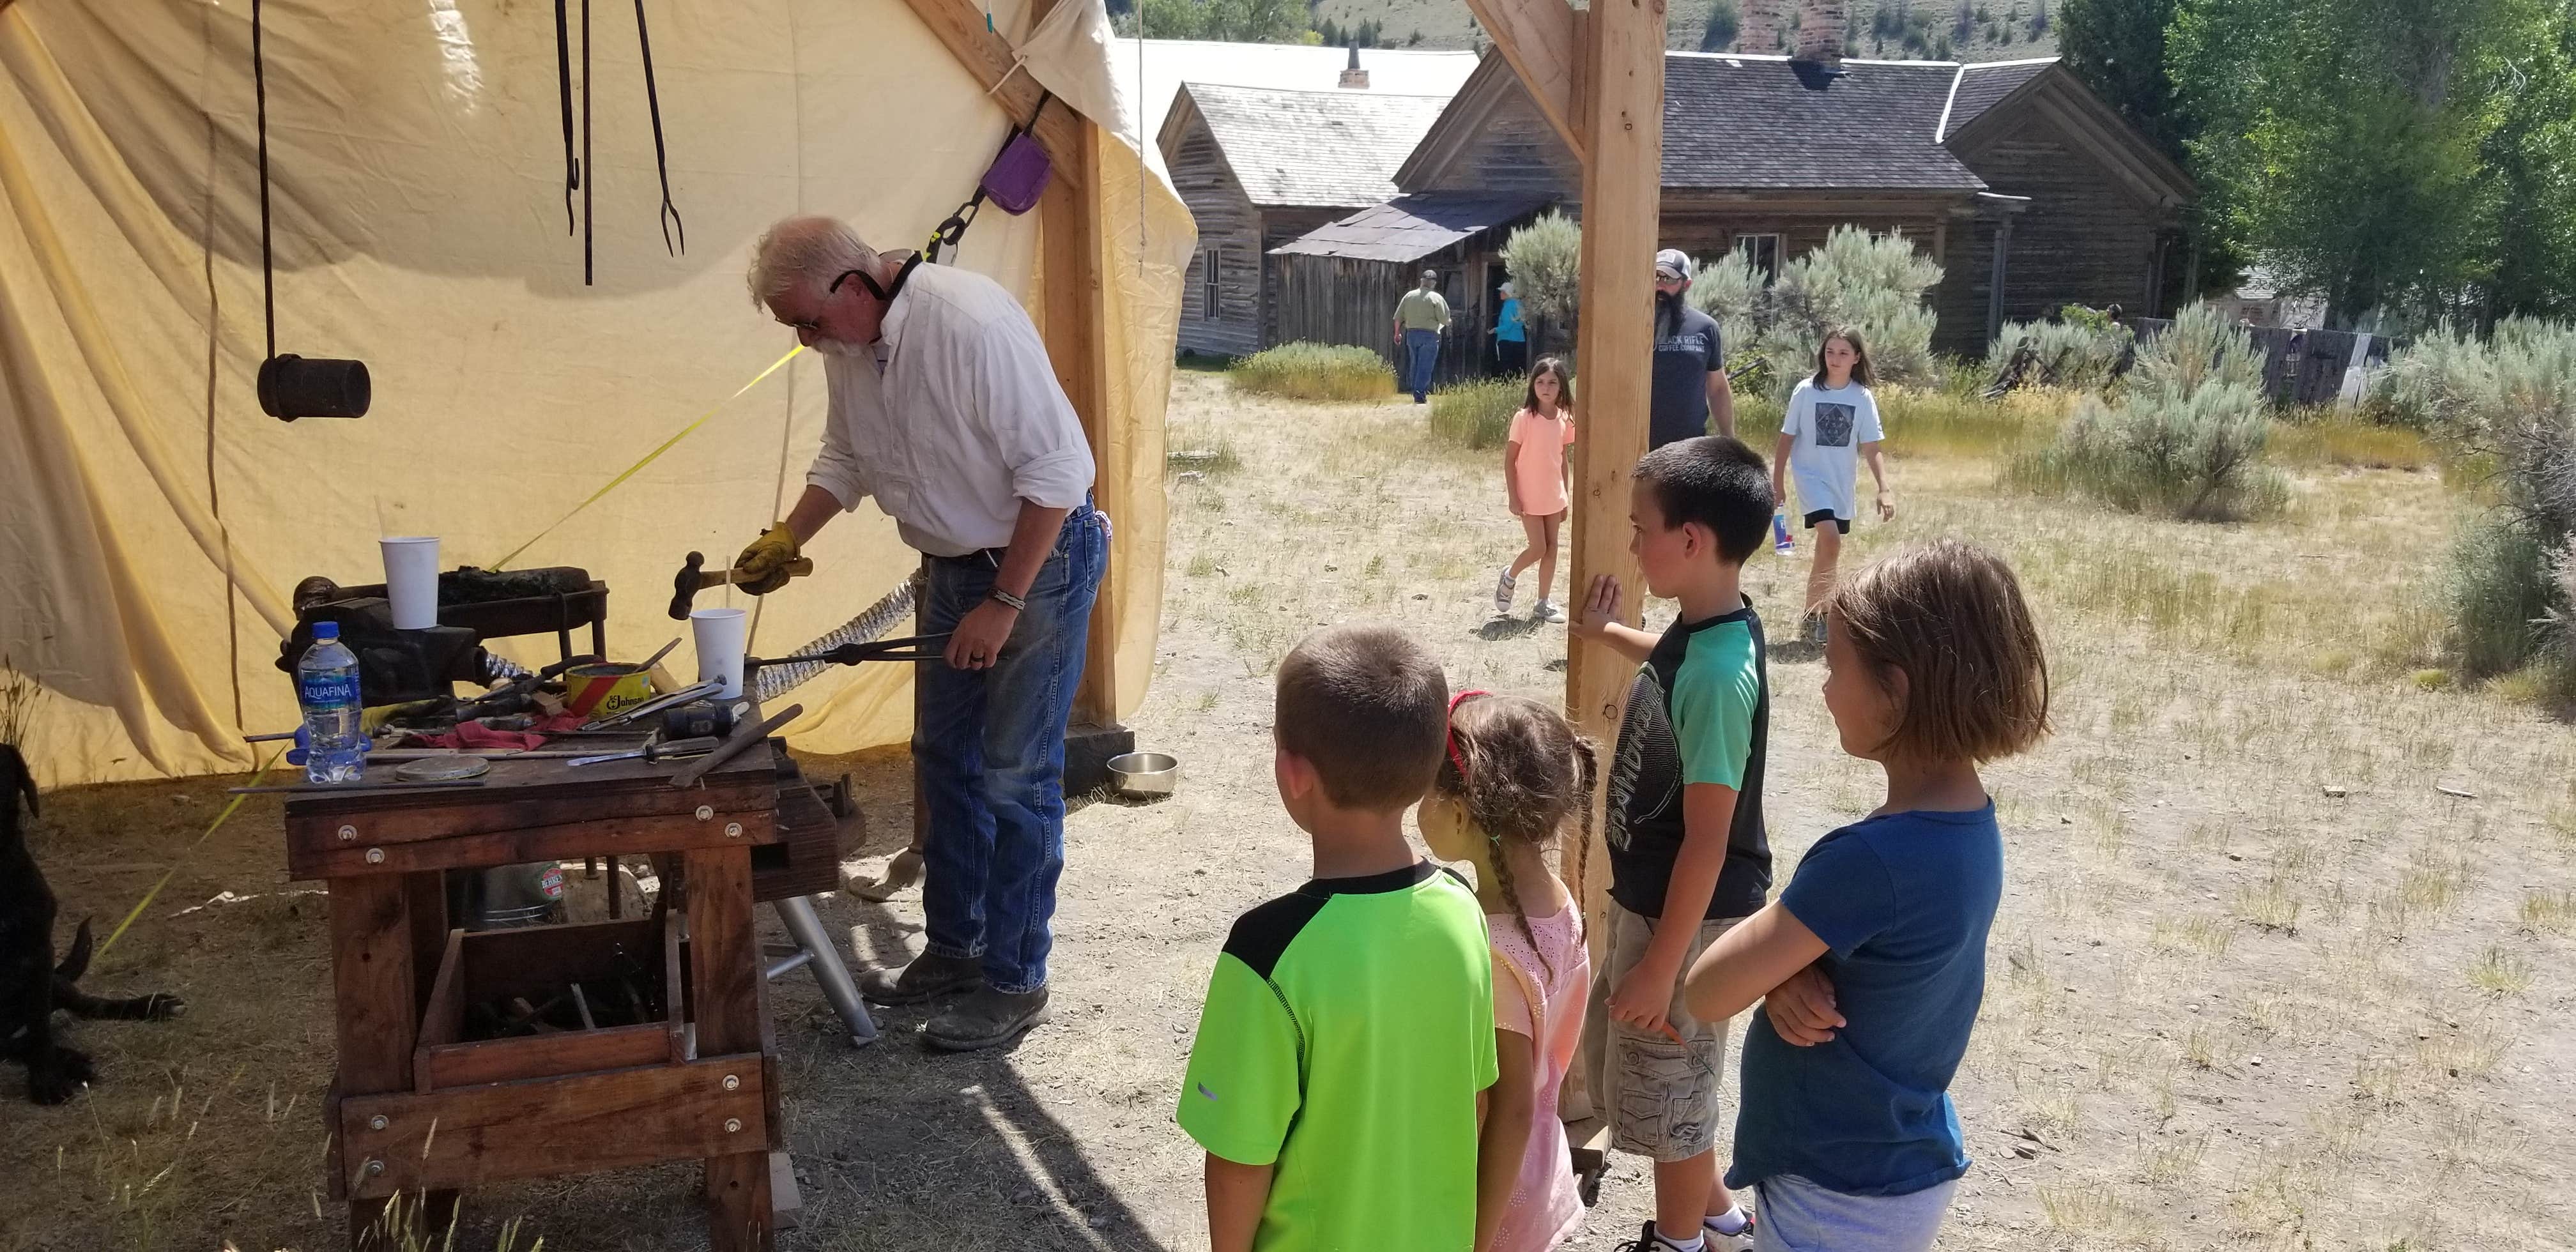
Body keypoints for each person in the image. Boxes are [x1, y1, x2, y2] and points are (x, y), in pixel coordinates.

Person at [733, 216, 1107, 1051]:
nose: (805, 340)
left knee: (1013, 778)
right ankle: (955, 949)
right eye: (794, 328)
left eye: (810, 322)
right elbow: (846, 457)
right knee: (945, 762)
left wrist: (1003, 602)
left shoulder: (969, 325)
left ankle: (1015, 980)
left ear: (857, 287)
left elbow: (1060, 476)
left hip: (1036, 562)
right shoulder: (851, 347)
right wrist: (790, 536)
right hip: (952, 568)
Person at [1682, 540, 2051, 1252]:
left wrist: (1775, 965)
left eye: (1834, 665)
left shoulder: (1867, 862)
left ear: (1898, 689)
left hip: (1838, 1186)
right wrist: (1787, 968)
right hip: (1896, 1161)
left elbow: (1705, 990)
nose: (1823, 688)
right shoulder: (1970, 826)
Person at [1177, 625, 1497, 1252]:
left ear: (1294, 774)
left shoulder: (1266, 950)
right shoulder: (1465, 911)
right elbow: (1477, 1100)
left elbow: (1242, 1156)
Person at [1568, 437, 1778, 1252]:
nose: (1631, 542)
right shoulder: (1708, 629)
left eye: (1640, 528)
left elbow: (1708, 842)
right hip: (1656, 908)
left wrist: (1665, 965)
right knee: (1677, 1084)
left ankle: (1680, 1241)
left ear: (1690, 540)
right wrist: (1607, 632)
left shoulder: (1721, 677)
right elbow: (1672, 656)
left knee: (1664, 1098)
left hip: (1682, 922)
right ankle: (1722, 1217)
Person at [1418, 692, 1597, 1252]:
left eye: (1425, 791)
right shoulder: (1558, 902)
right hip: (1540, 1165)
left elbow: (1511, 1107)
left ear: (1460, 812)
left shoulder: (1495, 954)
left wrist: (1473, 1238)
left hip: (1493, 1192)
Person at [1772, 326, 1892, 645]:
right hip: (1811, 477)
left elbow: (1872, 447)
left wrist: (1884, 487)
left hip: (1841, 482)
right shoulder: (1806, 392)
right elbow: (1786, 438)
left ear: (1856, 358)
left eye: (1843, 353)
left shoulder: (1862, 398)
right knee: (1831, 541)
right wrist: (1778, 481)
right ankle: (1820, 616)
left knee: (1826, 547)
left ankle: (1814, 612)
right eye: (1830, 352)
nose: (1835, 359)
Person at [1494, 357, 1577, 623]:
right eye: (1540, 382)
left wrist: (1565, 495)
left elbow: (1562, 457)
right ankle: (1510, 576)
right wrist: (1514, 496)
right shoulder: (1524, 418)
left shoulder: (1565, 419)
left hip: (1554, 494)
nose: (1546, 387)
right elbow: (1510, 460)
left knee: (1553, 547)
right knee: (1538, 547)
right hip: (1529, 494)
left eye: (1552, 382)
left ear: (1561, 387)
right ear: (1533, 386)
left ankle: (1543, 602)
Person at [1650, 249, 1737, 448]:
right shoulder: (1632, 325)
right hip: (1637, 442)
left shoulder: (1706, 328)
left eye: (1668, 279)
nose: (1660, 286)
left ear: (1686, 285)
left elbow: (1717, 389)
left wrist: (1730, 441)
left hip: (1689, 448)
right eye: (1656, 277)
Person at [1395, 268, 1453, 404]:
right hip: (1429, 335)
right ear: (1433, 283)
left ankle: (1415, 389)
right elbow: (1444, 320)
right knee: (1425, 365)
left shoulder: (1409, 296)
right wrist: (1449, 322)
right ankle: (1420, 394)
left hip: (1412, 334)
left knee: (1415, 363)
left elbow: (1398, 317)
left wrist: (1397, 333)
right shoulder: (1436, 298)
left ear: (1421, 281)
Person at [1493, 280, 1529, 376]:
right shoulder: (1519, 304)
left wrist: (1495, 330)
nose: (1501, 294)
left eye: (1503, 292)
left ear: (1508, 294)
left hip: (1506, 340)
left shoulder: (1507, 306)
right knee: (1518, 368)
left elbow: (1507, 326)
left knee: (1506, 369)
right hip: (1520, 339)